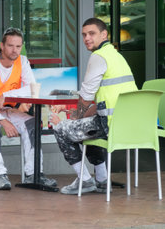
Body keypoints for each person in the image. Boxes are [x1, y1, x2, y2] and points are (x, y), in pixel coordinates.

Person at [49, 17, 137, 195]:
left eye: (92, 33)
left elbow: (87, 95)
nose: (87, 38)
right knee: (85, 127)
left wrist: (74, 117)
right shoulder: (116, 56)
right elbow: (102, 101)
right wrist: (77, 114)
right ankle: (102, 180)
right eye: (84, 35)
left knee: (60, 128)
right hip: (128, 123)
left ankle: (85, 180)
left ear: (104, 34)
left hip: (110, 123)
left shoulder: (98, 56)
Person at [0, 27, 57, 190]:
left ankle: (33, 175)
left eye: (18, 46)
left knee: (32, 124)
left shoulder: (23, 61)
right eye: (11, 46)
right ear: (2, 46)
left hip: (4, 107)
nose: (15, 50)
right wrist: (3, 121)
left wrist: (6, 95)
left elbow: (31, 88)